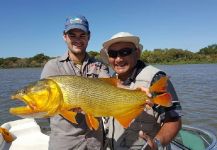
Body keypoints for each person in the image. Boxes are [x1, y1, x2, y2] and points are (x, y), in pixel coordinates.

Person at [100, 32, 182, 150]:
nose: (118, 59)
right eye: (113, 54)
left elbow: (174, 120)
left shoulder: (155, 78)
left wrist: (156, 144)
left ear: (137, 53)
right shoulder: (111, 81)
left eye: (125, 52)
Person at [40, 15, 110, 150]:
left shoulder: (100, 65)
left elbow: (111, 89)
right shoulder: (52, 67)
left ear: (89, 37)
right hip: (65, 143)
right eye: (72, 35)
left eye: (82, 35)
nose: (77, 40)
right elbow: (46, 109)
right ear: (64, 36)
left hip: (95, 143)